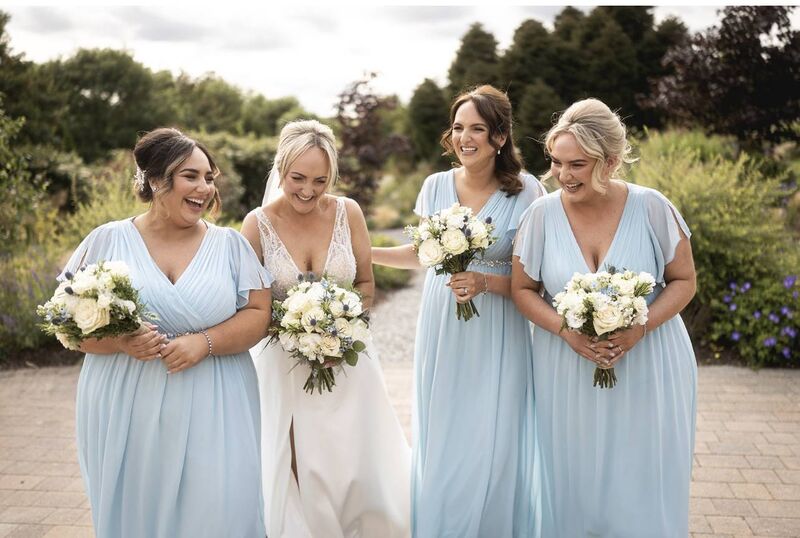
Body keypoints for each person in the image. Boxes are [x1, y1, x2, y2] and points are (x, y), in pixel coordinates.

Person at [60, 127, 272, 537]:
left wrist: (204, 343)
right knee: (138, 508)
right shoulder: (106, 240)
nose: (205, 188)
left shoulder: (230, 245)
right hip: (126, 398)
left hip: (217, 398)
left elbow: (259, 314)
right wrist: (120, 340)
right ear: (156, 180)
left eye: (209, 177)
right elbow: (68, 325)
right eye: (190, 176)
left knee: (219, 506)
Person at [511, 98, 697, 537]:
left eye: (577, 164)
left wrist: (641, 325)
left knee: (642, 478)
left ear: (610, 161)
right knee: (575, 481)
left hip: (649, 362)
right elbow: (523, 289)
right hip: (566, 369)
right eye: (556, 162)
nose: (563, 175)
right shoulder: (540, 215)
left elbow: (684, 281)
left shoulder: (653, 208)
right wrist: (567, 332)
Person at [372, 85, 546, 537]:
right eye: (457, 128)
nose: (464, 138)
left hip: (499, 325)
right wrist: (364, 252)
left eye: (477, 129)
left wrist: (487, 282)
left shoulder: (528, 192)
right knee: (446, 430)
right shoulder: (435, 185)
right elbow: (422, 253)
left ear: (501, 136)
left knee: (494, 432)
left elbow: (538, 278)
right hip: (441, 321)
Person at [241, 119, 410, 538]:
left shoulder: (347, 212)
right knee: (302, 460)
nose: (307, 189)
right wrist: (298, 333)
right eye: (297, 177)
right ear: (280, 169)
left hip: (351, 358)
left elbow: (366, 283)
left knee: (355, 454)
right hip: (285, 365)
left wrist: (343, 328)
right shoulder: (255, 225)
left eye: (320, 180)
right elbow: (251, 308)